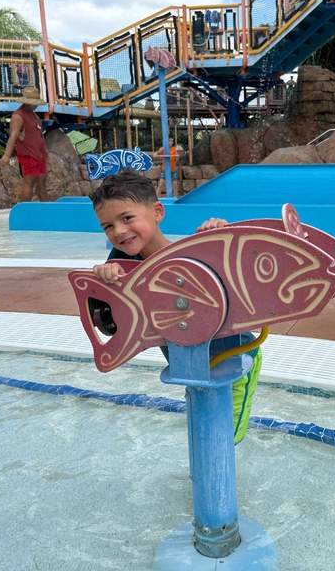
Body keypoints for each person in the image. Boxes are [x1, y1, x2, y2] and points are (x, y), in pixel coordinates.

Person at [89, 170, 260, 444]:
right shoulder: (121, 269)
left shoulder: (192, 253)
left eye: (127, 218)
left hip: (236, 357)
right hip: (187, 363)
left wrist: (220, 233)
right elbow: (108, 323)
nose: (119, 231)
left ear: (157, 212)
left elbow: (240, 274)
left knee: (226, 437)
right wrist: (104, 280)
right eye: (107, 226)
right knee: (201, 427)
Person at [0, 86, 49, 202]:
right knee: (29, 182)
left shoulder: (34, 116)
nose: (36, 105)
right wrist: (6, 156)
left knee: (42, 181)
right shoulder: (18, 116)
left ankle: (47, 209)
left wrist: (45, 152)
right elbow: (13, 136)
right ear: (27, 103)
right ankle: (24, 210)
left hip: (39, 155)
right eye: (34, 103)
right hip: (28, 155)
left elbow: (39, 135)